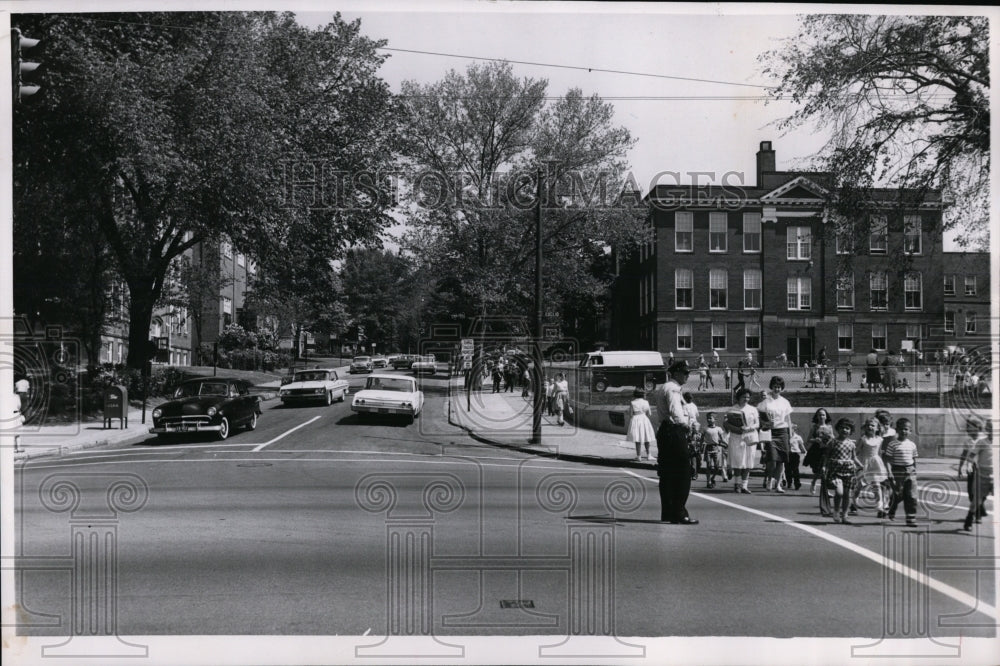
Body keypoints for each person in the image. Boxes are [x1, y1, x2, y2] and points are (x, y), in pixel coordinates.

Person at [652, 360, 699, 524]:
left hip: (665, 431)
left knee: (667, 474)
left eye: (688, 373)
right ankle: (679, 512)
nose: (687, 376)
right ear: (676, 373)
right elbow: (675, 410)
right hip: (674, 431)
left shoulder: (665, 387)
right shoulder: (672, 388)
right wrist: (685, 426)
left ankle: (669, 512)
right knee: (683, 473)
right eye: (685, 373)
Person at [758, 376, 794, 494]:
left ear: (781, 388)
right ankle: (769, 479)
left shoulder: (785, 402)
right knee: (772, 459)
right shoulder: (765, 402)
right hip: (771, 432)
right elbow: (761, 418)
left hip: (782, 431)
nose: (777, 389)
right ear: (771, 387)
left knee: (782, 460)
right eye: (775, 387)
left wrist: (790, 433)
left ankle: (778, 484)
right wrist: (767, 424)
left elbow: (788, 419)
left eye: (779, 387)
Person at [823, 418, 862, 524]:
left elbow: (853, 457)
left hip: (848, 471)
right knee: (839, 492)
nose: (844, 430)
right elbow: (827, 456)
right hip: (835, 470)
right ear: (837, 429)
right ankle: (836, 511)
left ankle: (845, 515)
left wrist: (860, 466)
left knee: (847, 494)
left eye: (847, 428)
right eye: (842, 428)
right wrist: (824, 467)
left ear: (851, 431)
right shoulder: (833, 442)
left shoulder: (851, 444)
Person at [883, 418, 919, 526]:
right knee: (898, 494)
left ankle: (911, 517)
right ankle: (892, 508)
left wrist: (915, 470)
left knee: (912, 495)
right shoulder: (892, 444)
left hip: (910, 470)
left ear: (910, 431)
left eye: (906, 429)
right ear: (897, 430)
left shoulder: (912, 445)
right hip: (897, 470)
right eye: (902, 429)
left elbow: (914, 459)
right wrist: (889, 472)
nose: (904, 431)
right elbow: (888, 460)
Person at [724, 388, 760, 494]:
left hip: (749, 436)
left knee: (748, 462)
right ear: (739, 397)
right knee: (738, 461)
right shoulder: (732, 409)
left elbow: (757, 424)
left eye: (748, 397)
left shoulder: (753, 409)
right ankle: (737, 484)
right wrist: (736, 428)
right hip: (736, 437)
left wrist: (748, 428)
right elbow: (726, 423)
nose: (746, 399)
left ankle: (744, 486)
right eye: (744, 397)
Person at [959, 417, 992, 531]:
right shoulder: (982, 442)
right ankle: (970, 518)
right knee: (976, 498)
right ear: (987, 429)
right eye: (991, 428)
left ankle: (979, 513)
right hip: (981, 473)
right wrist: (967, 466)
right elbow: (971, 455)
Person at [852, 417, 889, 517]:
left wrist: (883, 465)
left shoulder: (880, 439)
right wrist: (857, 464)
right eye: (868, 425)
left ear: (877, 428)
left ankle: (879, 507)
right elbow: (855, 452)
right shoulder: (863, 439)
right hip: (864, 463)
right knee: (859, 485)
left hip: (876, 464)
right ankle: (854, 503)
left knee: (877, 486)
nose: (870, 427)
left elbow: (880, 453)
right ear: (865, 427)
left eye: (872, 425)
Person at [803, 408, 834, 515]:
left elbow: (833, 438)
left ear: (826, 416)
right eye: (820, 415)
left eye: (823, 415)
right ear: (817, 416)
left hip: (826, 450)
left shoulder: (829, 427)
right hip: (817, 450)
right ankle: (813, 482)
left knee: (825, 471)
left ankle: (824, 489)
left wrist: (831, 440)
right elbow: (808, 439)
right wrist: (815, 440)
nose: (821, 417)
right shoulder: (814, 427)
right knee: (818, 471)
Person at [626, 389, 656, 461]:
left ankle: (639, 456)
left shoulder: (632, 402)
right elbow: (649, 413)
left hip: (636, 419)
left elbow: (630, 414)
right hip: (644, 419)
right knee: (647, 437)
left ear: (635, 395)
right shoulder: (646, 402)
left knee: (637, 438)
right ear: (643, 395)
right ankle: (649, 455)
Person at [701, 413, 727, 488]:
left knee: (716, 467)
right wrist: (700, 448)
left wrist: (726, 444)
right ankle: (708, 481)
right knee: (708, 466)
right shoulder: (705, 428)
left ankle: (713, 478)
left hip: (716, 448)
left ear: (715, 420)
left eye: (710, 418)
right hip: (708, 448)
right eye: (708, 418)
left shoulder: (718, 429)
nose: (708, 420)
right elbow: (702, 439)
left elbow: (722, 439)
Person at [683, 392, 701, 479]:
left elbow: (686, 418)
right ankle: (694, 472)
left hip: (689, 428)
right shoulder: (694, 405)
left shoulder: (685, 406)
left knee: (691, 451)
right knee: (694, 451)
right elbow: (697, 415)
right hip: (695, 426)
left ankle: (692, 471)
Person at [787, 423, 805, 491]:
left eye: (790, 428)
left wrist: (805, 451)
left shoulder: (798, 437)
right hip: (788, 454)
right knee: (787, 469)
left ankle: (797, 483)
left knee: (795, 469)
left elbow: (801, 445)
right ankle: (789, 482)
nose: (789, 430)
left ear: (794, 429)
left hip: (796, 454)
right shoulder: (786, 437)